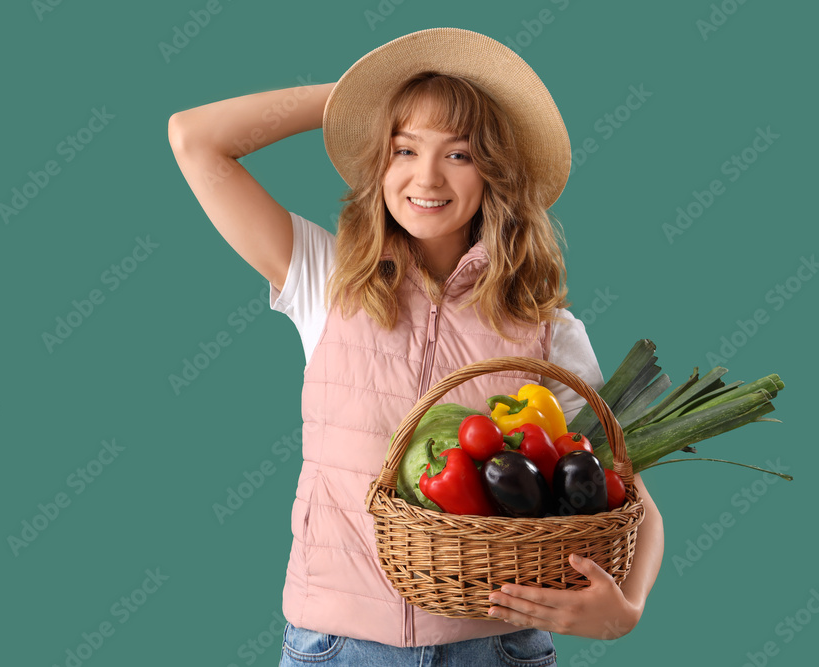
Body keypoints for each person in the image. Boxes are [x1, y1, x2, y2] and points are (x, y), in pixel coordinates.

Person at [169, 27, 664, 667]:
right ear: (381, 160)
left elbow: (634, 494)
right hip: (337, 649)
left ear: (494, 173)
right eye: (404, 148)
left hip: (496, 648)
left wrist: (626, 611)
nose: (425, 176)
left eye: (459, 154)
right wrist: (357, 98)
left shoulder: (546, 330)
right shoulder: (327, 277)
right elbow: (194, 139)